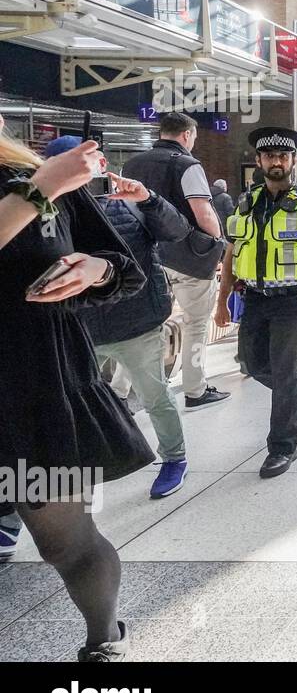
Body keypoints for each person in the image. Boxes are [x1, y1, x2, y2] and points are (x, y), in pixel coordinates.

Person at [0, 118, 152, 660]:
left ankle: (103, 637)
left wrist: (95, 270)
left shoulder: (38, 175)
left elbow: (123, 270)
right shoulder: (41, 181)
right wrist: (37, 190)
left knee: (64, 538)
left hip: (38, 388)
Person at [46, 137, 192, 500]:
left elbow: (177, 232)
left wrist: (149, 199)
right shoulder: (42, 213)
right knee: (63, 405)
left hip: (135, 322)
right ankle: (45, 492)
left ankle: (175, 458)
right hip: (78, 328)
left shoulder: (131, 203)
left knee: (154, 393)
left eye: (88, 163)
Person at [214, 127, 297, 478]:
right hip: (254, 298)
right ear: (259, 161)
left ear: (293, 161)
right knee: (254, 365)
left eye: (283, 157)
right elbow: (231, 254)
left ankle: (282, 448)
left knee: (282, 372)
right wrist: (221, 301)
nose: (277, 162)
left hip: (293, 301)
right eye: (270, 156)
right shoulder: (245, 203)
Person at [123, 112, 229, 409]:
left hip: (145, 255)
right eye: (193, 136)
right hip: (187, 257)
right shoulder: (187, 164)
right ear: (186, 135)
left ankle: (120, 391)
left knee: (142, 325)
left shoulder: (132, 164)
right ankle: (195, 390)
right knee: (196, 322)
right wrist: (216, 246)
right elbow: (203, 211)